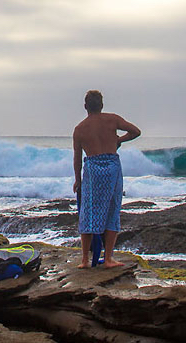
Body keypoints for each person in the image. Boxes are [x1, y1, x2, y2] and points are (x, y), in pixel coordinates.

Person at [72, 89, 140, 268]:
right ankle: (108, 258)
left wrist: (78, 180)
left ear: (85, 106)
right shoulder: (112, 119)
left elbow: (77, 158)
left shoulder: (79, 129)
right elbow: (135, 131)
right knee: (112, 209)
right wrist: (119, 140)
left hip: (92, 168)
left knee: (88, 212)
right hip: (112, 167)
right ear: (102, 105)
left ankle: (85, 260)